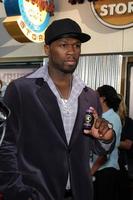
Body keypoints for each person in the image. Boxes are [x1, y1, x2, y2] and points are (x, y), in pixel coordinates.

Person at [0, 18, 115, 200]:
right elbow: (6, 146)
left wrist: (106, 139)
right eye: (63, 45)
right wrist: (17, 191)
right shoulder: (21, 90)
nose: (72, 51)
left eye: (77, 46)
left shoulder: (89, 96)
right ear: (47, 49)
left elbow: (97, 149)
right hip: (35, 194)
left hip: (80, 193)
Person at [91, 85, 122, 200]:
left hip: (106, 171)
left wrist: (90, 172)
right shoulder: (101, 116)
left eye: (96, 95)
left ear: (102, 98)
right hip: (98, 170)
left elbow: (105, 154)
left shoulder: (113, 118)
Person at [118, 94, 133, 200]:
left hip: (123, 164)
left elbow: (128, 145)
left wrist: (109, 140)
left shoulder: (128, 122)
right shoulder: (105, 119)